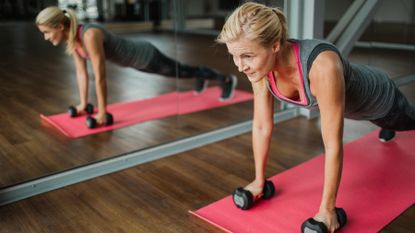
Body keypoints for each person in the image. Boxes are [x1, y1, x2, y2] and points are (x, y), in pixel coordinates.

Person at [217, 2, 415, 232]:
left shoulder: (322, 66)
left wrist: (327, 211)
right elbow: (261, 126)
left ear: (275, 45)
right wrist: (258, 182)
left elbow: (332, 145)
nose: (240, 66)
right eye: (234, 56)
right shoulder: (259, 70)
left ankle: (390, 125)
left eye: (247, 56)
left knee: (407, 122)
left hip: (380, 100)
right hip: (352, 108)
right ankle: (386, 127)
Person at [35, 6, 237, 125]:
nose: (45, 37)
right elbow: (81, 74)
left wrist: (103, 112)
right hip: (136, 62)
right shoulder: (73, 41)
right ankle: (200, 75)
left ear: (60, 27)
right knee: (182, 71)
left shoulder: (89, 35)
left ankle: (225, 79)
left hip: (146, 56)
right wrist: (82, 105)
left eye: (46, 32)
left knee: (182, 71)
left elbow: (100, 76)